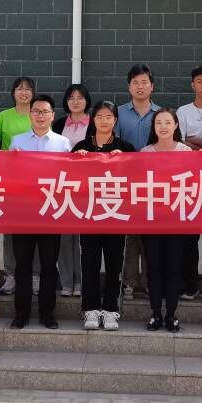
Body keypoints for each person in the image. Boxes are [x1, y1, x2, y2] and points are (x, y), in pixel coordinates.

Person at [9, 94, 71, 329]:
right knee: (22, 266)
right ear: (30, 115)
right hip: (23, 212)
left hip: (51, 213)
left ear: (52, 116)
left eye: (45, 112)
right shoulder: (17, 142)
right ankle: (21, 313)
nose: (40, 116)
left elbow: (69, 176)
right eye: (36, 111)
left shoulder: (63, 143)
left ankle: (47, 313)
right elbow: (9, 174)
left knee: (48, 266)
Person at [73, 101, 135, 331]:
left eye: (109, 117)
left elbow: (137, 178)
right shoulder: (81, 146)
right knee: (89, 263)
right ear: (93, 119)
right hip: (88, 214)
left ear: (115, 120)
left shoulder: (125, 147)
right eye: (99, 116)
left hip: (116, 215)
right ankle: (90, 309)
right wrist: (75, 160)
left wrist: (126, 161)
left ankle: (110, 309)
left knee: (114, 263)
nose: (104, 121)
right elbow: (68, 179)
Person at [141, 108, 191, 333]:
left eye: (168, 122)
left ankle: (171, 314)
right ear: (153, 127)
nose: (163, 126)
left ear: (176, 125)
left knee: (174, 268)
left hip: (177, 220)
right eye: (158, 122)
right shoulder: (145, 152)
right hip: (151, 219)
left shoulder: (186, 152)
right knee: (153, 267)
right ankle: (155, 314)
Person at [175, 65, 202, 303]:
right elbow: (180, 143)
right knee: (188, 238)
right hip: (188, 182)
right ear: (193, 85)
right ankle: (189, 285)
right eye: (200, 81)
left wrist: (197, 142)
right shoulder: (182, 112)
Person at [117, 64, 160, 301]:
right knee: (130, 236)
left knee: (152, 236)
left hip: (156, 184)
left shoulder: (162, 115)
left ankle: (151, 281)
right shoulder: (118, 113)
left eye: (144, 82)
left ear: (152, 86)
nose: (140, 86)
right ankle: (129, 283)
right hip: (126, 183)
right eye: (135, 82)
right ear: (129, 87)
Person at [0, 77, 36, 297]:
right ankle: (11, 274)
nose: (23, 92)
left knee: (38, 228)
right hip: (10, 181)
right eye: (19, 88)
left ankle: (35, 275)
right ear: (13, 92)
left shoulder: (38, 114)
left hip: (37, 183)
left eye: (28, 89)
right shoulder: (3, 116)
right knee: (11, 230)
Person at [53, 83, 91, 297]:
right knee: (65, 239)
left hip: (88, 188)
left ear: (87, 100)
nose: (76, 101)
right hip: (63, 187)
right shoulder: (58, 124)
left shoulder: (96, 123)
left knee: (84, 240)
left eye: (80, 97)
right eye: (71, 98)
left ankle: (82, 282)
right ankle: (67, 282)